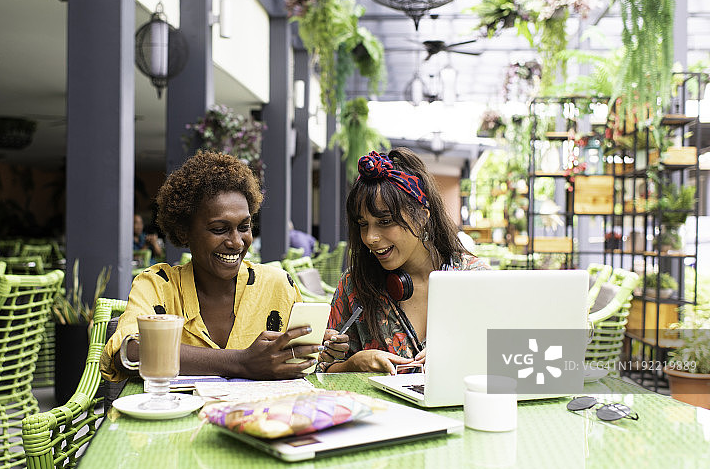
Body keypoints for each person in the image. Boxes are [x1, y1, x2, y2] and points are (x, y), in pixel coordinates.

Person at [101, 151, 348, 382]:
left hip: (260, 422)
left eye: (244, 227)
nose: (237, 242)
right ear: (183, 232)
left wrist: (320, 350)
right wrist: (241, 362)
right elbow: (129, 353)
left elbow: (298, 362)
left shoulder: (277, 286)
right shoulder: (159, 285)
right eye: (219, 229)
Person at [319, 149, 489, 375]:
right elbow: (320, 372)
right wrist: (353, 364)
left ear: (422, 216)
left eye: (385, 221)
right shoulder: (354, 284)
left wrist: (466, 354)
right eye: (363, 224)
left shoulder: (477, 279)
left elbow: (510, 361)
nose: (371, 237)